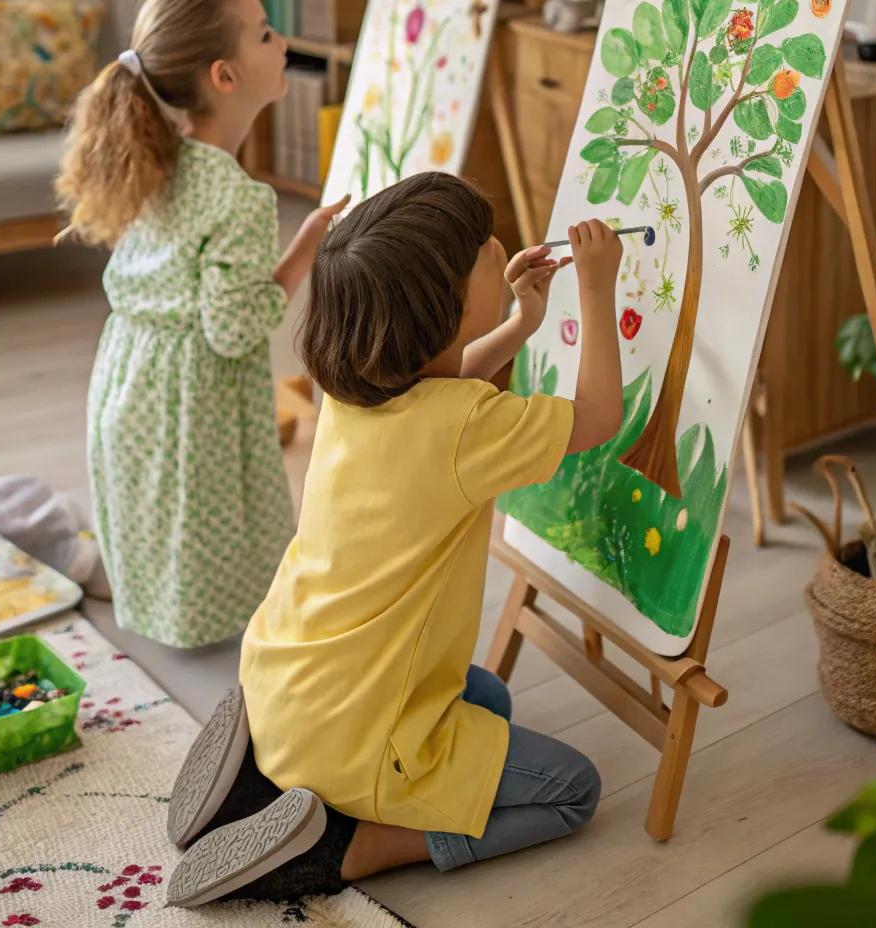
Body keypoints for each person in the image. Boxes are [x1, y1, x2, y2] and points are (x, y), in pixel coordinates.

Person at [166, 172, 623, 906]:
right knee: (574, 790)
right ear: (444, 310)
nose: (497, 245)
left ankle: (264, 774)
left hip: (286, 682)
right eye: (480, 250)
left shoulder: (356, 392)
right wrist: (598, 291)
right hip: (361, 731)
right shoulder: (468, 427)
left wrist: (519, 324)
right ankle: (350, 845)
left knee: (489, 698)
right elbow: (598, 415)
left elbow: (446, 399)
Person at [56, 0, 345, 648]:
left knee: (156, 518)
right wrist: (306, 246)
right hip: (191, 403)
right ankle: (232, 663)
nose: (283, 43)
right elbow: (233, 326)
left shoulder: (157, 160)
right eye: (268, 34)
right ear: (224, 76)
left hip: (128, 380)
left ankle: (165, 622)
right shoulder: (238, 198)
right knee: (206, 520)